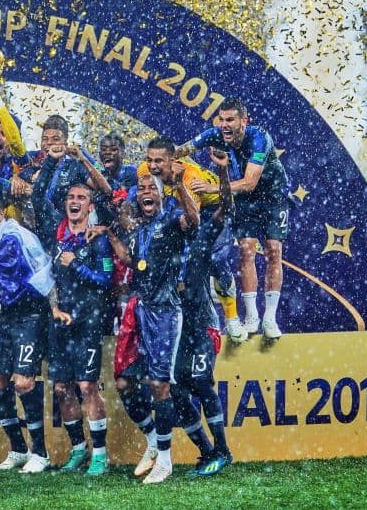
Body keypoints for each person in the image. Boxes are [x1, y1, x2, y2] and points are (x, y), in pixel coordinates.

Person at [102, 169, 200, 484]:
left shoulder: (172, 222)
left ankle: (166, 461)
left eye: (151, 187)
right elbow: (132, 261)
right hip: (140, 312)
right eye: (141, 187)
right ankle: (153, 442)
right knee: (124, 384)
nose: (146, 191)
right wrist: (109, 234)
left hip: (167, 313)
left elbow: (194, 221)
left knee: (160, 386)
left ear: (160, 195)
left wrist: (179, 187)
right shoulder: (140, 230)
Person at [176, 98, 289, 340]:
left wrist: (212, 188)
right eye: (221, 120)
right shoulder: (214, 134)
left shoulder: (260, 138)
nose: (224, 125)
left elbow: (250, 182)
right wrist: (161, 157)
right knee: (246, 250)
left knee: (273, 250)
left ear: (244, 121)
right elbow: (182, 149)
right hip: (243, 199)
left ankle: (270, 317)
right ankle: (252, 316)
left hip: (272, 196)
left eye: (230, 120)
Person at [0, 193, 56, 474]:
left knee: (24, 383)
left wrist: (49, 308)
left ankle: (40, 453)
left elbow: (45, 269)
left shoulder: (19, 236)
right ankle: (19, 449)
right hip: (9, 317)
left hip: (32, 316)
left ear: (1, 215)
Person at [136, 137, 245, 343]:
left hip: (212, 209)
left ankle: (231, 316)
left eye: (159, 161)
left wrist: (178, 186)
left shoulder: (188, 177)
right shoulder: (144, 170)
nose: (152, 166)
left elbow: (193, 219)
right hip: (181, 206)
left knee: (213, 259)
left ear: (172, 160)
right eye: (150, 160)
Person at [172, 148, 235, 476]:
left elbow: (226, 207)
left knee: (200, 381)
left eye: (189, 209)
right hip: (177, 329)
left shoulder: (203, 234)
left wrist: (222, 174)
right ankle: (208, 451)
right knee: (177, 389)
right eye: (181, 210)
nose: (186, 215)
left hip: (202, 325)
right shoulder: (168, 237)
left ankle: (223, 449)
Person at [45, 183, 114, 475]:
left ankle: (100, 454)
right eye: (71, 197)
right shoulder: (57, 240)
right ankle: (78, 450)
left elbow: (106, 280)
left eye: (81, 198)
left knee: (86, 386)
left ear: (89, 207)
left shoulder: (97, 240)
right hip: (61, 323)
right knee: (61, 388)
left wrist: (76, 266)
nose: (75, 201)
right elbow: (48, 281)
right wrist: (54, 308)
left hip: (88, 323)